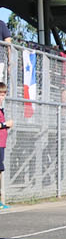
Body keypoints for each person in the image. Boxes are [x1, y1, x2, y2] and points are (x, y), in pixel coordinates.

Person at [0, 81, 11, 209]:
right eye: (0, 94)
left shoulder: (1, 110)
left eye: (3, 94)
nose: (2, 97)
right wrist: (5, 124)